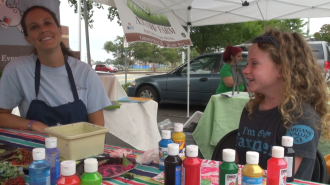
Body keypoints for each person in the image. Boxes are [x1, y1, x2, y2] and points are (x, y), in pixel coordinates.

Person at [235, 29, 330, 180]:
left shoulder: (302, 117)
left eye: (254, 64)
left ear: (282, 69)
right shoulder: (251, 109)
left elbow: (283, 177)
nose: (245, 70)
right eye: (247, 63)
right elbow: (238, 162)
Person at [0, 6, 111, 132]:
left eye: (47, 23)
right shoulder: (17, 70)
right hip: (37, 149)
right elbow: (2, 115)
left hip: (80, 149)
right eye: (34, 27)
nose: (43, 29)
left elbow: (98, 128)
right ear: (28, 38)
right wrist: (33, 124)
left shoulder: (85, 72)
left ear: (59, 30)